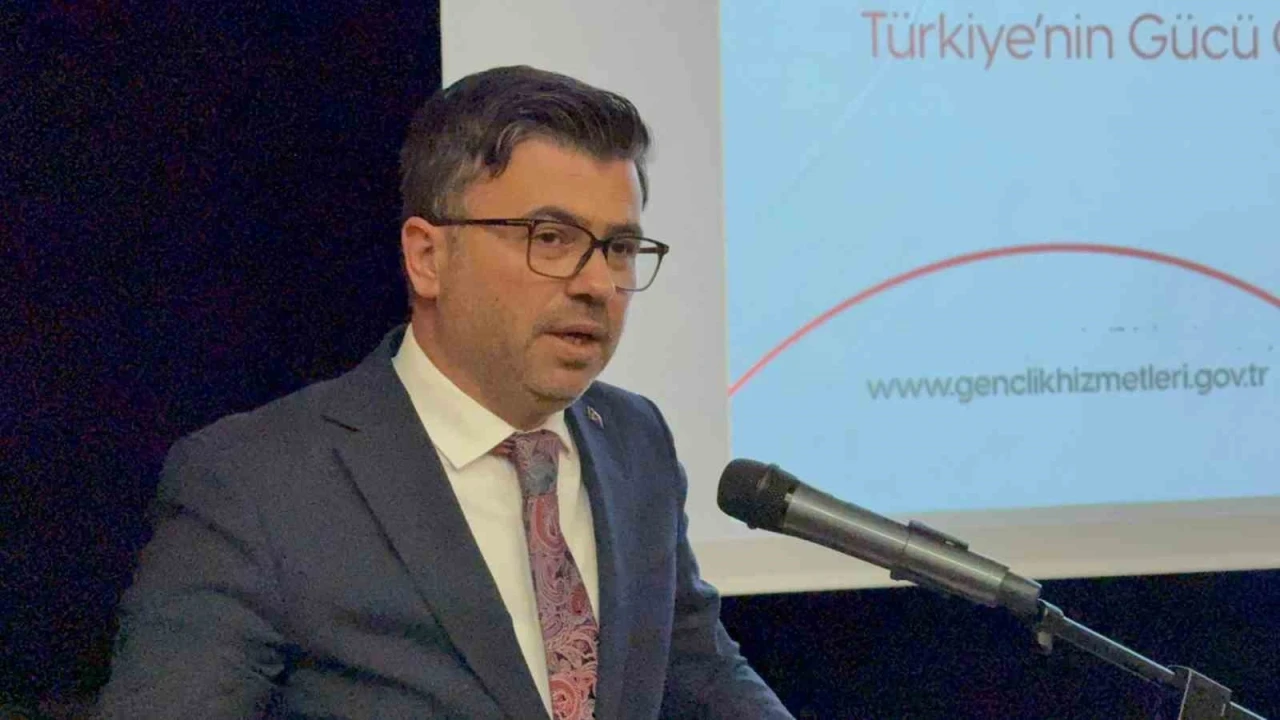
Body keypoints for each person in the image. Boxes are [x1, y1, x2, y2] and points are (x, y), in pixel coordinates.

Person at [96, 65, 793, 719]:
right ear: (427, 257)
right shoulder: (257, 484)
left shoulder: (635, 441)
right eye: (551, 238)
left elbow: (701, 673)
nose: (597, 284)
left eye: (618, 248)